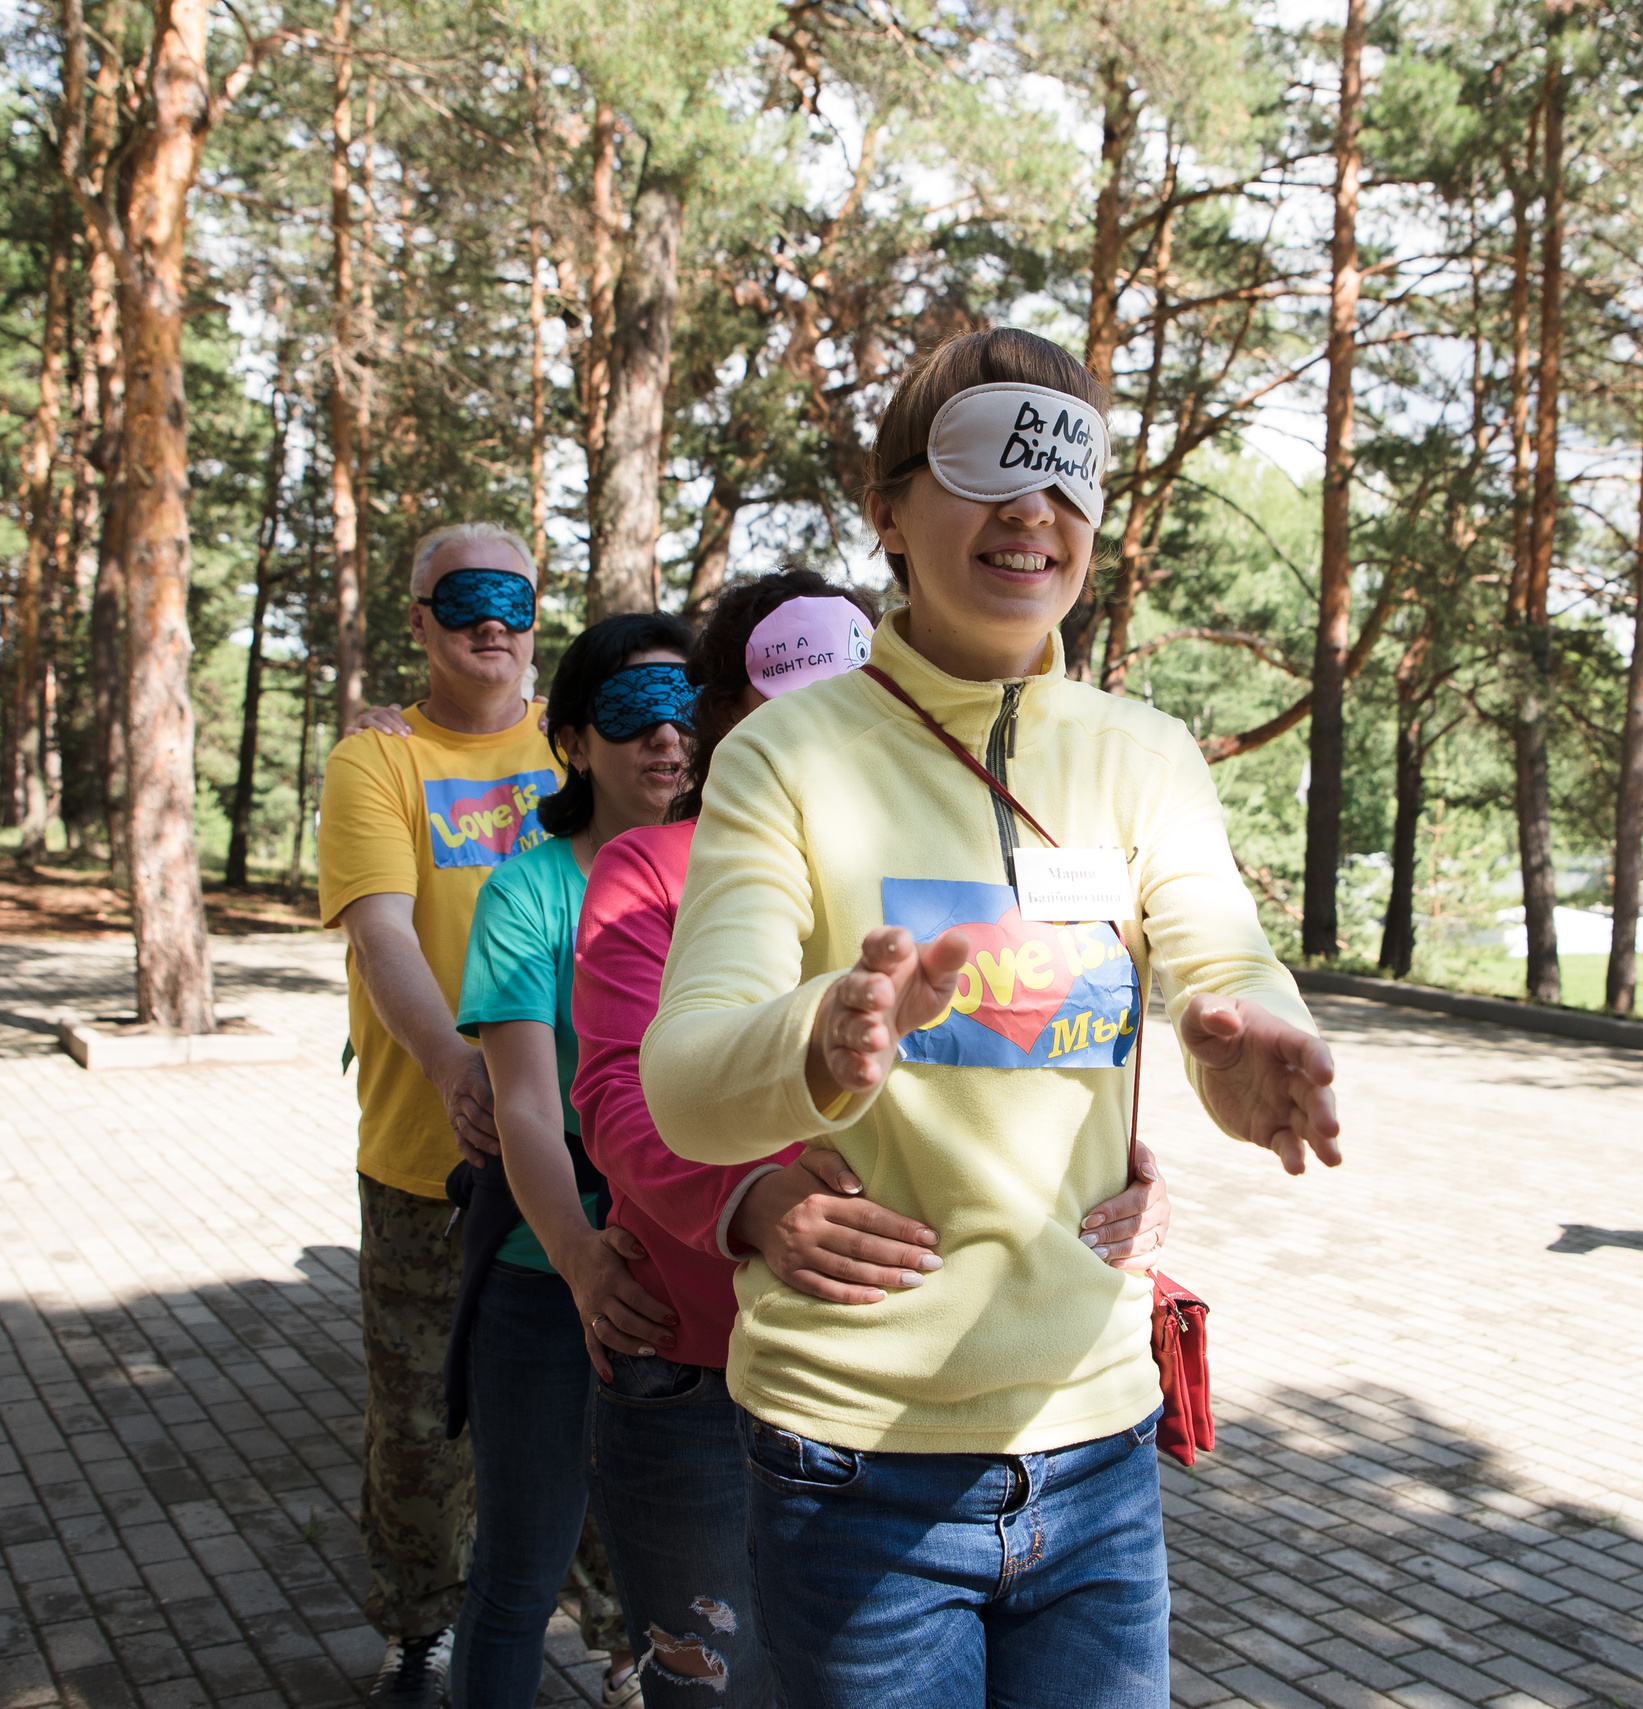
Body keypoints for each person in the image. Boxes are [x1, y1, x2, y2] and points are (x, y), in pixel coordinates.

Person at [641, 327, 1343, 1709]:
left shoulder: (1143, 755)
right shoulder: (786, 756)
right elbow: (684, 1083)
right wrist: (832, 1030)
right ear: (889, 512)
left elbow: (1221, 960)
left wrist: (1257, 1046)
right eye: (987, 467)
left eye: (1068, 474)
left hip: (1095, 1436)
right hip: (856, 1464)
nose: (1034, 511)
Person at [568, 569, 1174, 1708]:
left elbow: (1063, 1050)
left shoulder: (1006, 831)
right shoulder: (653, 867)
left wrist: (1134, 1178)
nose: (845, 707)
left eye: (858, 673)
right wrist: (744, 1197)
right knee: (707, 1687)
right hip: (707, 1357)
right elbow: (613, 1091)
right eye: (790, 682)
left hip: (989, 1391)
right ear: (728, 716)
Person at [317, 522, 561, 1707]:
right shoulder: (378, 760)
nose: (491, 618)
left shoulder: (582, 740)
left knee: (616, 1387)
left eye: (511, 595)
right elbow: (381, 929)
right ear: (416, 618)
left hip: (589, 1144)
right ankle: (421, 1623)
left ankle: (627, 1631)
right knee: (423, 1413)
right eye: (461, 597)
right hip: (431, 1154)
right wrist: (457, 1071)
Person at [446, 612, 696, 1707]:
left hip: (705, 1284)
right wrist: (586, 1262)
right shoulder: (527, 893)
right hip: (549, 1276)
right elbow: (525, 1111)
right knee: (519, 1565)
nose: (668, 739)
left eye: (690, 709)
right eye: (634, 714)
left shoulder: (750, 882)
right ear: (575, 741)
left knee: (697, 1588)